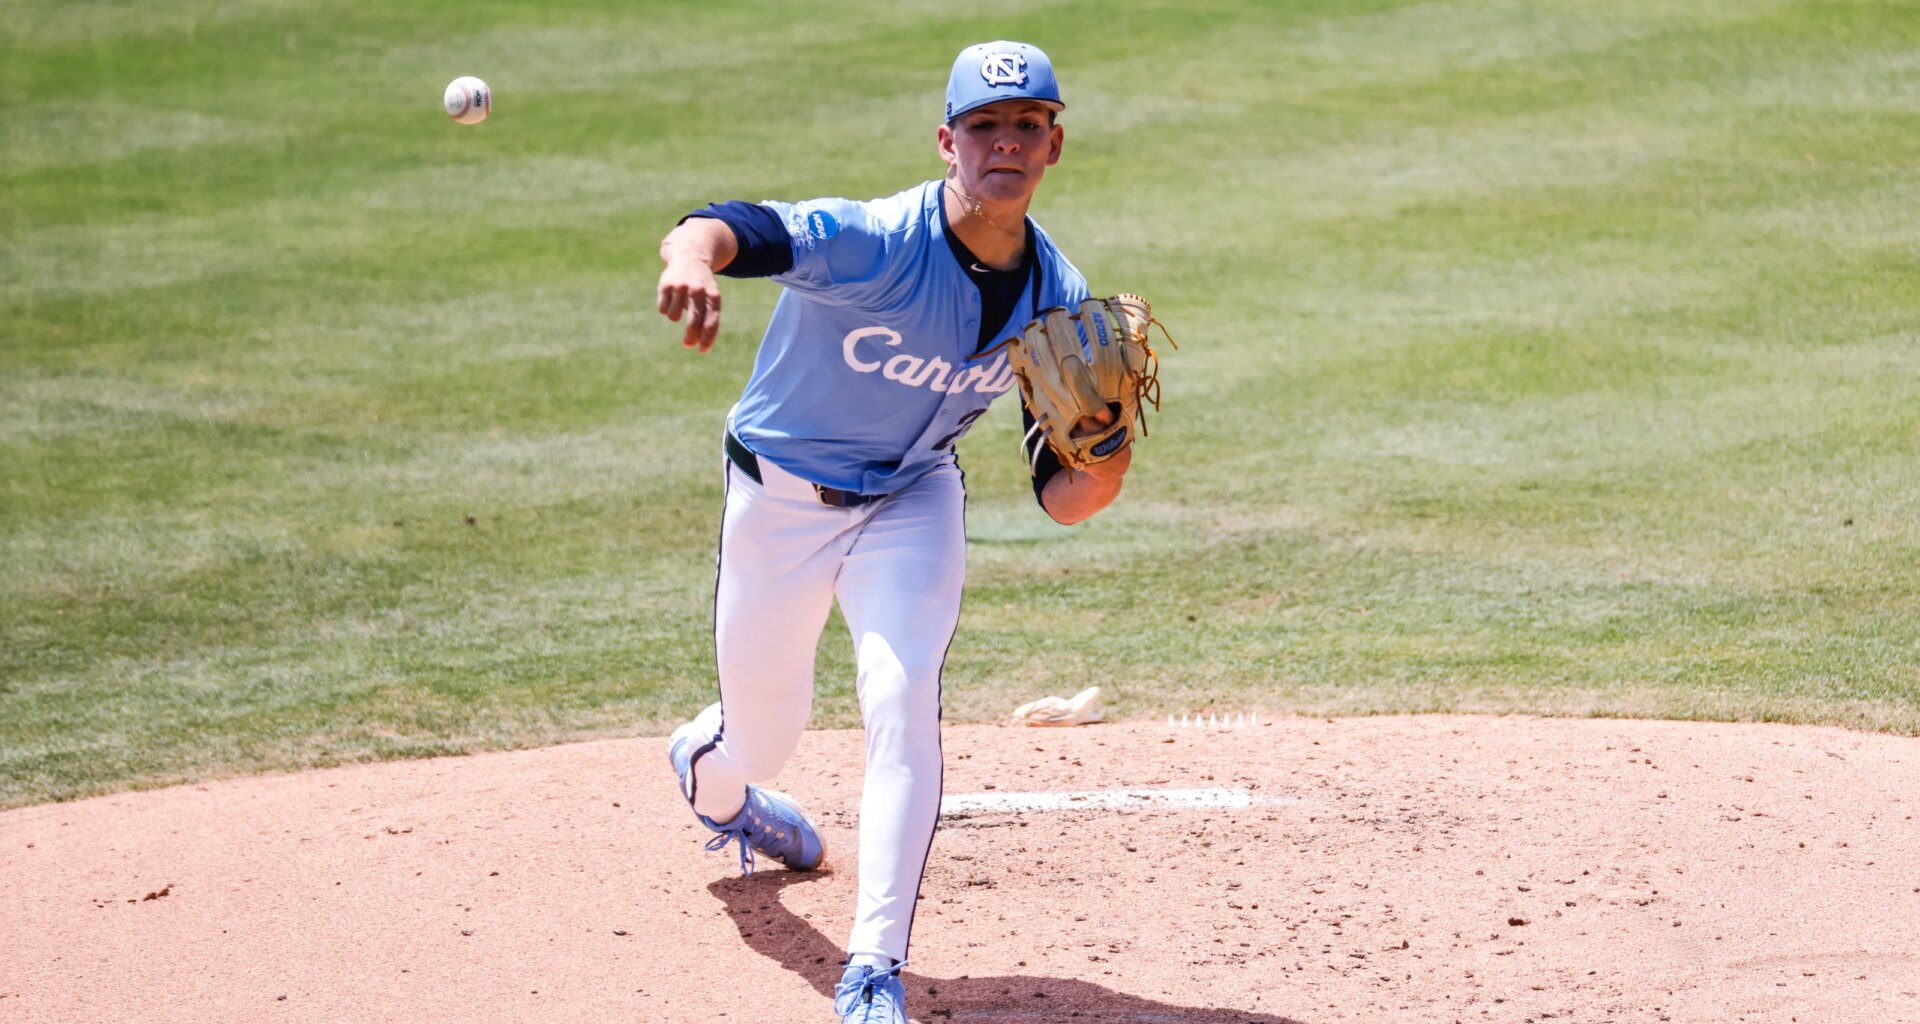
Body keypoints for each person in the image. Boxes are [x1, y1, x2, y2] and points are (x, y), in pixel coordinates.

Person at [653, 40, 1130, 1024]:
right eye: (987, 126)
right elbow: (736, 227)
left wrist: (1108, 450)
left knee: (902, 691)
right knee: (765, 737)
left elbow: (1067, 501)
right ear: (948, 141)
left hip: (911, 498)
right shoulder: (872, 241)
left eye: (1027, 124)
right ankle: (714, 768)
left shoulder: (1058, 300)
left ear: (1054, 145)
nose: (1007, 142)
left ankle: (873, 969)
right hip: (780, 500)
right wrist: (688, 257)